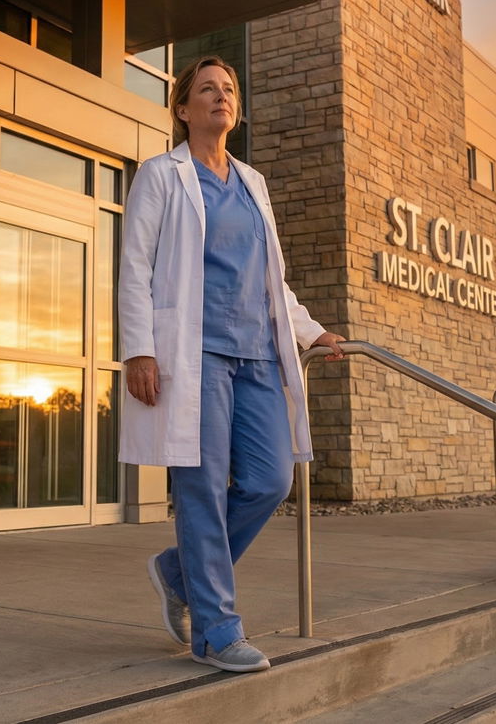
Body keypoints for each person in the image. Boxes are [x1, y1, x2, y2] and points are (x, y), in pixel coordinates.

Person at [118, 55, 346, 673]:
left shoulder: (252, 182)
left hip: (258, 355)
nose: (221, 97)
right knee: (201, 489)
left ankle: (177, 571)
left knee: (272, 481)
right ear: (184, 109)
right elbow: (135, 266)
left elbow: (273, 279)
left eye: (229, 90)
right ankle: (216, 630)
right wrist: (140, 348)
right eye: (207, 90)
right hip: (191, 355)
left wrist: (312, 332)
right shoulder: (161, 175)